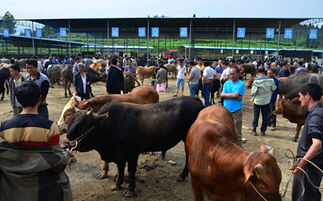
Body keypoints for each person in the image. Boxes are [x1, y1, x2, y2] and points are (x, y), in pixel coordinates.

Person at [0, 81, 72, 201]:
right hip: (42, 186)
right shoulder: (50, 127)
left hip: (12, 186)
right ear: (40, 99)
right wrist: (67, 155)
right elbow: (54, 157)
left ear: (18, 100)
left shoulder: (4, 126)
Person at [290, 83, 322, 201]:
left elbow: (317, 144)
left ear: (308, 95)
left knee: (304, 197)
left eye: (300, 96)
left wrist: (301, 163)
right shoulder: (318, 112)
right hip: (310, 164)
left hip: (309, 167)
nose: (299, 99)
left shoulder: (316, 116)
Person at [220, 66, 245, 146]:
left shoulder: (241, 84)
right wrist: (234, 96)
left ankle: (239, 150)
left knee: (237, 134)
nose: (231, 76)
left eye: (233, 74)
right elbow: (221, 95)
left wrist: (226, 95)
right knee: (225, 131)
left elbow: (234, 95)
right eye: (230, 74)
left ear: (238, 74)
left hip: (236, 112)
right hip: (225, 111)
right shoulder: (227, 83)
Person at [251, 67, 276, 136]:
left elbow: (253, 92)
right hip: (267, 101)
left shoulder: (256, 81)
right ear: (264, 71)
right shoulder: (271, 80)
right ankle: (263, 131)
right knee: (265, 116)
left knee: (256, 116)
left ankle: (254, 130)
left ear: (258, 72)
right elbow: (273, 88)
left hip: (258, 101)